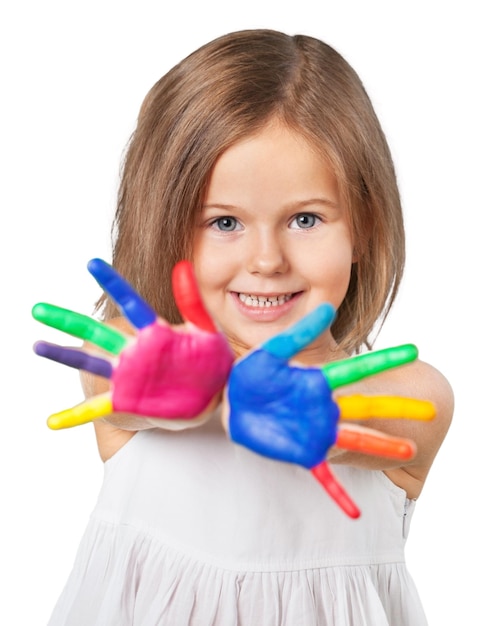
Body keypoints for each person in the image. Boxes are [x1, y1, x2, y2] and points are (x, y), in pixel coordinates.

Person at [35, 29, 454, 625]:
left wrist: (316, 410)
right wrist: (181, 384)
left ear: (363, 226)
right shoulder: (145, 362)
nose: (266, 259)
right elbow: (113, 384)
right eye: (224, 222)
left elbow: (393, 409)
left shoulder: (409, 394)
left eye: (305, 219)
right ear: (171, 223)